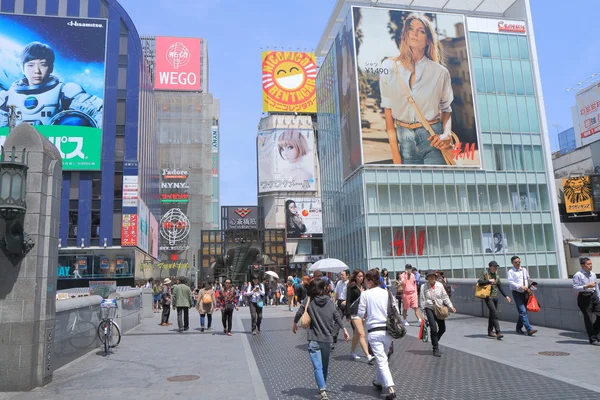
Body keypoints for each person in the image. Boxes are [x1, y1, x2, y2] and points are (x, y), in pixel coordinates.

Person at [380, 14, 454, 166]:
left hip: (433, 137)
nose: (414, 33)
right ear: (405, 34)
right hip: (404, 139)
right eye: (411, 29)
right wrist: (396, 156)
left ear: (428, 40)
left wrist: (446, 134)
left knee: (438, 186)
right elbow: (388, 115)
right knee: (413, 188)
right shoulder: (388, 67)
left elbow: (446, 109)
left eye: (421, 31)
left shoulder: (440, 72)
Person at [0, 42, 103, 129]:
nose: (37, 71)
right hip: (15, 150)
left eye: (43, 64)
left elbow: (100, 112)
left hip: (54, 149)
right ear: (22, 68)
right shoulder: (6, 98)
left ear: (51, 68)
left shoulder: (65, 91)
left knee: (75, 122)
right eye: (30, 65)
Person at [293, 278, 349, 400]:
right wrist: (344, 329)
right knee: (324, 366)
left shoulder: (309, 300)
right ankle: (322, 387)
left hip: (313, 339)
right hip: (327, 340)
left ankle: (322, 389)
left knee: (317, 367)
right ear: (324, 288)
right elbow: (337, 316)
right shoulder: (329, 301)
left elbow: (299, 312)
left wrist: (294, 323)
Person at [357, 269, 398, 399]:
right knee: (383, 358)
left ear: (369, 281)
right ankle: (378, 381)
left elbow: (360, 314)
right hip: (388, 330)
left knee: (381, 361)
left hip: (374, 331)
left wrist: (367, 314)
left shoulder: (365, 294)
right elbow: (395, 309)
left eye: (365, 281)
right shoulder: (387, 292)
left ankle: (391, 387)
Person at [420, 270, 456, 357]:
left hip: (439, 308)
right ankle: (435, 348)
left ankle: (434, 340)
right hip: (429, 308)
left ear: (435, 277)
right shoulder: (423, 286)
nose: (431, 278)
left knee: (442, 328)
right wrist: (423, 312)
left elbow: (445, 297)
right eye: (430, 277)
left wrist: (451, 306)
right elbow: (422, 299)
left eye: (433, 276)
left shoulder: (439, 285)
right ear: (427, 278)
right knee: (433, 328)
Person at [345, 269, 374, 363]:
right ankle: (368, 355)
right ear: (355, 277)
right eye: (359, 276)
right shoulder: (351, 287)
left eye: (362, 276)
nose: (361, 278)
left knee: (357, 334)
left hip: (362, 312)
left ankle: (352, 351)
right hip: (354, 313)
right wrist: (348, 314)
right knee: (362, 334)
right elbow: (348, 301)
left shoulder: (364, 286)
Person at [477, 261, 511, 339]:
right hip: (488, 297)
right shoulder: (486, 273)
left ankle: (490, 331)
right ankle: (498, 332)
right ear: (490, 267)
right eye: (494, 266)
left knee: (492, 314)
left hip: (495, 297)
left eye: (496, 267)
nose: (496, 268)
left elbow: (500, 286)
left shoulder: (497, 276)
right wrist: (488, 281)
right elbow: (479, 282)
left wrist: (506, 296)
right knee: (495, 312)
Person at [507, 256, 538, 336]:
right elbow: (511, 283)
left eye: (519, 262)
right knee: (522, 311)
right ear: (512, 263)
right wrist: (519, 286)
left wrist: (531, 287)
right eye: (516, 262)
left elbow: (528, 279)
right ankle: (529, 329)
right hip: (517, 293)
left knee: (523, 311)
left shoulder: (524, 270)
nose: (518, 264)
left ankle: (518, 327)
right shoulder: (510, 272)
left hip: (526, 293)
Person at [572, 257, 600, 346]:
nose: (590, 266)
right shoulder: (578, 275)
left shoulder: (593, 274)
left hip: (594, 296)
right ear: (583, 265)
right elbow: (575, 287)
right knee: (588, 319)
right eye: (588, 264)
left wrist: (598, 296)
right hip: (584, 297)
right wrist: (586, 286)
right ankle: (592, 339)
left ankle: (594, 333)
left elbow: (596, 287)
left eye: (591, 264)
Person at [333, 270, 349, 348]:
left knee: (353, 322)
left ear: (347, 276)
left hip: (348, 304)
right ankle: (333, 337)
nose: (341, 276)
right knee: (337, 320)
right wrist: (333, 302)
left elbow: (351, 296)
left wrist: (347, 301)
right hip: (340, 303)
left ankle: (358, 335)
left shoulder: (350, 284)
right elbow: (336, 293)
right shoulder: (339, 283)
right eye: (341, 275)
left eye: (343, 275)